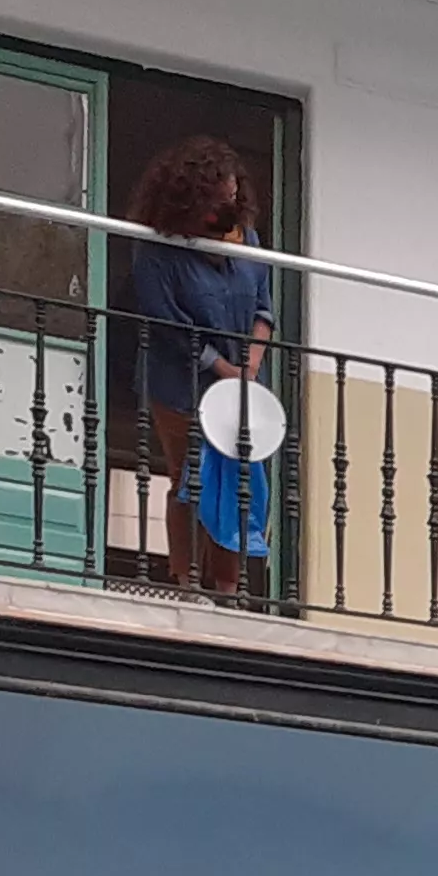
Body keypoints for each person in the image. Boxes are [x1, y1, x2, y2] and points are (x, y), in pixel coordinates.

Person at [117, 136, 278, 596]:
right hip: (180, 381)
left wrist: (251, 362)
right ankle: (186, 581)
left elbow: (264, 307)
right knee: (190, 476)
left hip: (242, 381)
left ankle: (227, 587)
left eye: (233, 196)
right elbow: (166, 321)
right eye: (219, 198)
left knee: (237, 477)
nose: (229, 205)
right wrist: (222, 368)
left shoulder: (247, 239)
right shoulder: (158, 249)